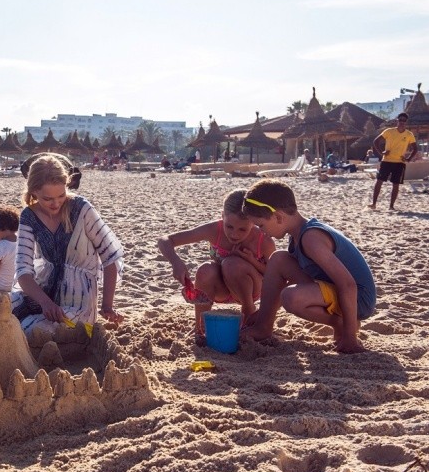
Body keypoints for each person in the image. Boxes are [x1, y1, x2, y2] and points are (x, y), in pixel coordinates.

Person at [241, 179, 375, 353]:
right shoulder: (296, 235)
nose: (261, 231)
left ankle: (344, 324)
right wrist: (264, 310)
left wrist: (349, 337)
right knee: (278, 259)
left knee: (291, 297)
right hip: (332, 289)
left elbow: (348, 284)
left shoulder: (311, 238)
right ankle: (263, 326)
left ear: (279, 217)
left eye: (261, 225)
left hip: (358, 299)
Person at [11, 154, 124, 342]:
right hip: (44, 290)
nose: (56, 204)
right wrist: (46, 303)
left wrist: (107, 306)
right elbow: (23, 270)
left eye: (61, 196)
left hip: (79, 297)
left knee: (41, 332)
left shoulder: (81, 208)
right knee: (6, 308)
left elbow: (110, 257)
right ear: (34, 192)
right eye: (47, 199)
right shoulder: (28, 216)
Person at [157, 189, 276, 339]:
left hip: (251, 290)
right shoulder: (215, 230)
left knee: (231, 264)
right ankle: (200, 326)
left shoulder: (262, 240)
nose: (234, 234)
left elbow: (275, 275)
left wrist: (251, 261)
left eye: (242, 229)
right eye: (229, 227)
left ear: (252, 222)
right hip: (221, 288)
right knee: (205, 270)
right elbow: (165, 240)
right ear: (222, 217)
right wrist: (176, 262)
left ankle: (248, 315)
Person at [369, 112, 417, 210]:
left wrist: (408, 159)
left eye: (404, 121)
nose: (402, 122)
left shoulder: (409, 134)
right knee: (379, 181)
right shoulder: (389, 131)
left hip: (400, 163)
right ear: (397, 121)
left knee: (396, 184)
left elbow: (415, 149)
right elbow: (376, 141)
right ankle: (373, 204)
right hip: (386, 161)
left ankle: (391, 206)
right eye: (400, 120)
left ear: (406, 122)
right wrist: (381, 153)